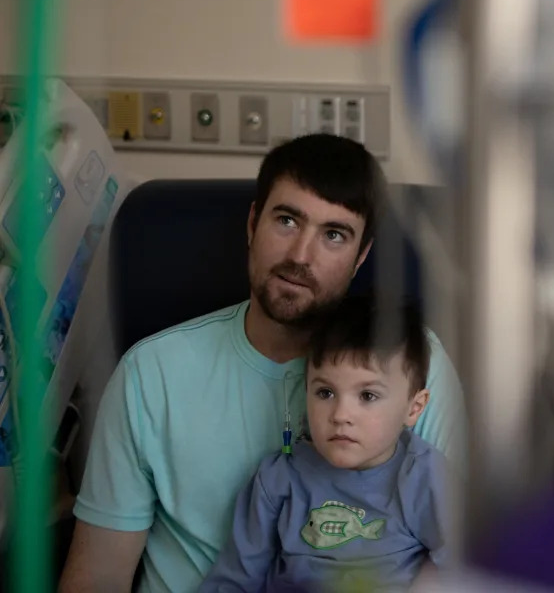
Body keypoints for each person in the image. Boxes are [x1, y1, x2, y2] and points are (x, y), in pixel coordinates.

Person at [59, 134, 467, 593]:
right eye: (288, 220)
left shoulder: (410, 363)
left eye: (334, 234)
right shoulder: (150, 374)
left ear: (361, 257)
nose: (300, 256)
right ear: (253, 224)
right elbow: (97, 577)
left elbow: (469, 554)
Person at [200, 297, 454, 592]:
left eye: (368, 396)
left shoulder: (425, 477)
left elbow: (471, 568)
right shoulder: (279, 479)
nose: (341, 415)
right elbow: (234, 580)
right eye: (325, 393)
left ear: (414, 408)